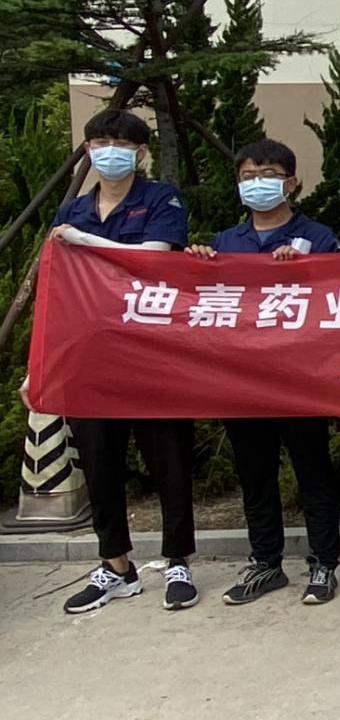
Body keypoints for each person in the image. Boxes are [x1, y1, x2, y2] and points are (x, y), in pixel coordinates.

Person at [185, 138, 340, 607]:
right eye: (248, 177)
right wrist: (197, 267)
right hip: (243, 380)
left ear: (291, 183)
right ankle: (265, 563)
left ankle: (323, 563)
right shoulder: (225, 243)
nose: (258, 184)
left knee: (313, 472)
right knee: (255, 475)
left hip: (299, 378)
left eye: (269, 175)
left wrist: (308, 270)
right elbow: (204, 305)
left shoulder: (317, 237)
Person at [52, 109, 198, 614]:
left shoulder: (160, 199)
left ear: (140, 152)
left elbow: (150, 260)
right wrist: (41, 367)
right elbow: (58, 292)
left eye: (120, 143)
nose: (108, 151)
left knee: (170, 462)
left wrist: (84, 242)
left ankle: (178, 561)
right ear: (87, 150)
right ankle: (115, 565)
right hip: (90, 360)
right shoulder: (72, 209)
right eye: (99, 142)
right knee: (100, 464)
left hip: (154, 354)